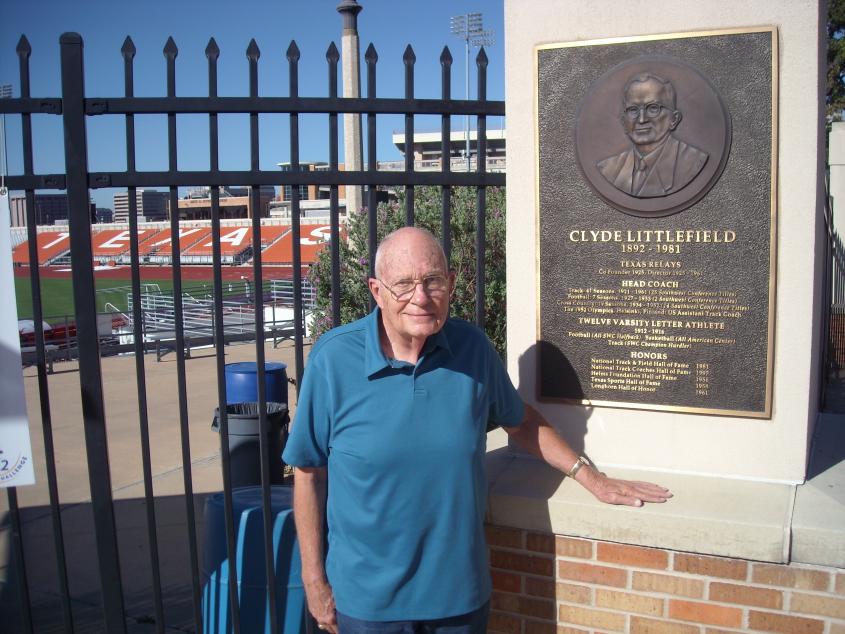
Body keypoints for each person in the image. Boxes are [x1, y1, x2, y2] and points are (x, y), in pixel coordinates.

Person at [283, 227, 672, 633]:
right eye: (403, 285)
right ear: (376, 291)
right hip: (367, 603)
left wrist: (592, 478)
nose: (421, 297)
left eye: (433, 281)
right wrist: (314, 581)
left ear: (450, 284)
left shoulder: (472, 348)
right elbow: (308, 475)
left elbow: (521, 422)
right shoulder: (334, 360)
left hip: (459, 597)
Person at [597, 72, 708, 198]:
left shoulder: (693, 162)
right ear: (623, 122)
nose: (642, 119)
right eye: (633, 110)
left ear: (673, 119)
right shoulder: (610, 168)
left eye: (653, 108)